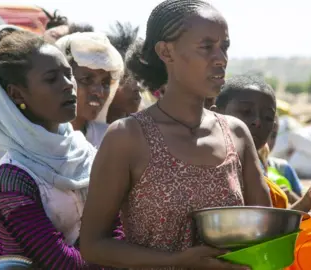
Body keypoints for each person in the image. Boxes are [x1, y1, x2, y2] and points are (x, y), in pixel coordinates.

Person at [79, 1, 271, 269]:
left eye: (224, 46)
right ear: (165, 51)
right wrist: (175, 262)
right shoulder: (128, 137)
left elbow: (266, 232)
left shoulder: (236, 134)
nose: (221, 58)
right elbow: (93, 245)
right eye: (206, 47)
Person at [0, 25, 118, 269]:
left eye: (67, 73)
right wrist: (114, 258)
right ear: (17, 94)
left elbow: (115, 223)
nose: (68, 85)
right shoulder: (13, 173)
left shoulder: (83, 151)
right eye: (52, 79)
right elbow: (56, 260)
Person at [213, 75, 311, 212]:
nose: (258, 122)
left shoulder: (258, 171)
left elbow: (268, 229)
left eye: (268, 117)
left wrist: (310, 199)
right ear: (215, 114)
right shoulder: (202, 164)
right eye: (246, 112)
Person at [56, 32, 124, 147]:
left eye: (105, 83)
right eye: (86, 79)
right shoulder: (32, 138)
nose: (99, 92)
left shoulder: (110, 141)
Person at [106, 22, 142, 123]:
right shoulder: (87, 133)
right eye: (125, 77)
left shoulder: (146, 131)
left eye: (137, 77)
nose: (137, 86)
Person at [267, 114, 303, 197]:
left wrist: (290, 195)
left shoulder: (283, 168)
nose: (267, 141)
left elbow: (305, 205)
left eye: (273, 135)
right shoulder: (239, 170)